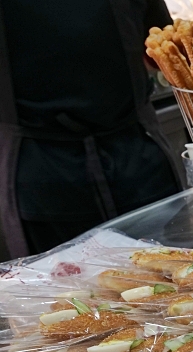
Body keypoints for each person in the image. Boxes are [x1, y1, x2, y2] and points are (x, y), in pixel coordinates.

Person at [0, 0, 181, 258]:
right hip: (40, 167)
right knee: (64, 289)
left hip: (136, 156)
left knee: (177, 276)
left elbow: (160, 45)